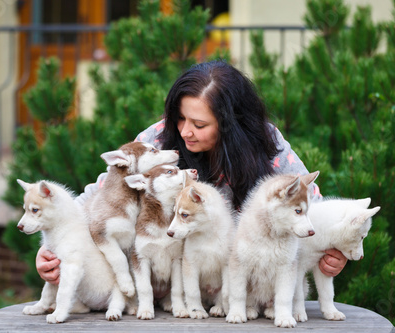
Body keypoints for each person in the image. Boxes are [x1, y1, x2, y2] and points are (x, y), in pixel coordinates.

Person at [36, 60, 347, 285]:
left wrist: (335, 251)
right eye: (179, 118)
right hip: (161, 296)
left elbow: (313, 208)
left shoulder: (267, 143)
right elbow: (98, 198)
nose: (184, 132)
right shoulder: (157, 140)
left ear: (232, 125)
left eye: (199, 125)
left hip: (244, 296)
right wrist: (49, 250)